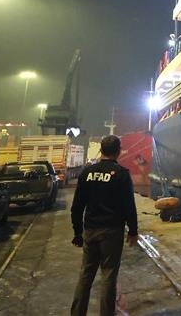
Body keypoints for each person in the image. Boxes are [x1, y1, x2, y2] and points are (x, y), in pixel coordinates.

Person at [70, 135, 138, 316]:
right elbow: (129, 205)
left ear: (101, 150)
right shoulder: (121, 174)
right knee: (108, 275)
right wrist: (133, 231)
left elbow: (77, 206)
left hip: (90, 230)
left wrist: (77, 232)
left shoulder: (87, 173)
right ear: (118, 151)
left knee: (85, 275)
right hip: (112, 232)